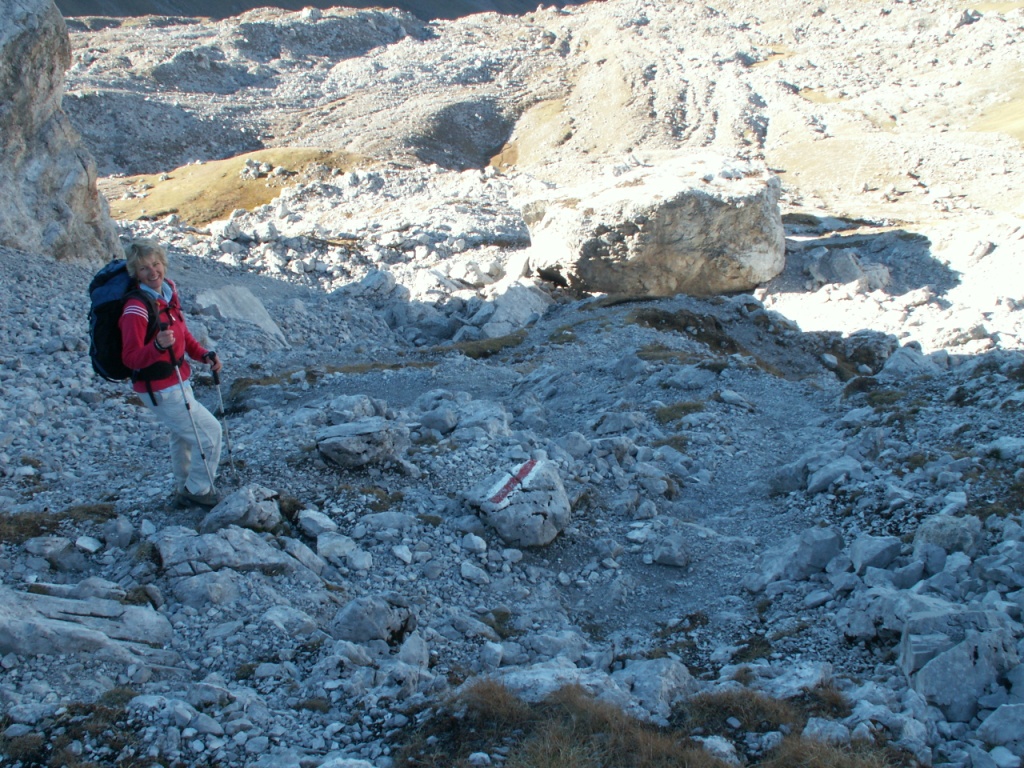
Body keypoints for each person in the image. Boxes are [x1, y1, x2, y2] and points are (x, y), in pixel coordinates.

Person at [119, 238, 224, 507]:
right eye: (144, 268)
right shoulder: (136, 309)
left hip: (178, 379)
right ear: (135, 273)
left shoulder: (167, 293)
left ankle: (184, 488)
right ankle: (199, 491)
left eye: (156, 264)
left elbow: (182, 335)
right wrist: (156, 346)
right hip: (160, 388)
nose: (153, 272)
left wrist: (203, 355)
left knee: (183, 437)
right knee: (210, 434)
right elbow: (130, 358)